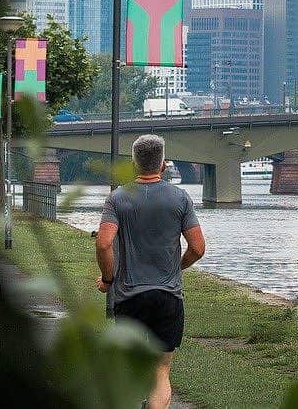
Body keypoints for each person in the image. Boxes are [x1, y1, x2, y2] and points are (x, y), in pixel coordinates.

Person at [95, 135, 205, 409]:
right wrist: (176, 266)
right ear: (163, 163)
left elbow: (104, 242)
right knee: (160, 370)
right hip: (168, 296)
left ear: (134, 163)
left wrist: (108, 279)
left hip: (129, 297)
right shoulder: (180, 197)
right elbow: (198, 248)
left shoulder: (118, 198)